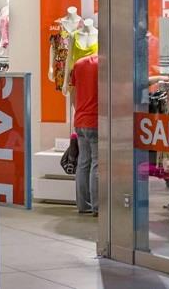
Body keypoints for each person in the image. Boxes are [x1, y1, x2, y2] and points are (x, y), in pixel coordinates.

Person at [70, 53, 99, 216]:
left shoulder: (79, 64)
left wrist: (79, 112)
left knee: (83, 163)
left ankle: (83, 205)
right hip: (96, 120)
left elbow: (73, 93)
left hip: (80, 120)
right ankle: (97, 206)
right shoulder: (105, 65)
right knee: (97, 163)